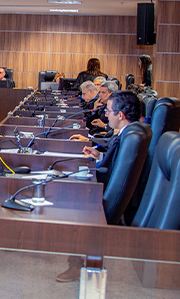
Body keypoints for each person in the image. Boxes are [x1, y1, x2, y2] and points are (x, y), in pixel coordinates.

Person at [57, 90, 144, 282]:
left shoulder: (127, 137)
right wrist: (99, 155)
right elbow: (115, 161)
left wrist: (91, 166)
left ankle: (78, 265)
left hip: (108, 199)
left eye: (109, 111)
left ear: (120, 115)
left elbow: (112, 172)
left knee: (73, 199)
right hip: (115, 193)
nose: (106, 114)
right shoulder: (130, 133)